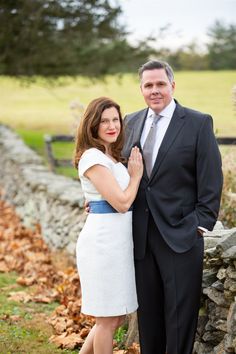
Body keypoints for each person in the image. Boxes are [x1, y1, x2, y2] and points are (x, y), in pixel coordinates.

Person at [122, 60, 223, 354]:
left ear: (172, 86)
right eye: (148, 85)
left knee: (180, 318)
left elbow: (211, 179)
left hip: (181, 235)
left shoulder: (197, 122)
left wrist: (200, 225)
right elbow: (119, 172)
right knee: (149, 316)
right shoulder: (130, 121)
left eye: (160, 84)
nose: (155, 91)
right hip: (140, 236)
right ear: (141, 89)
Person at [73, 97, 143, 354]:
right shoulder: (93, 157)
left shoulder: (109, 155)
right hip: (103, 245)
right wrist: (135, 175)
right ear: (92, 125)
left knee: (115, 317)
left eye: (115, 119)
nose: (112, 125)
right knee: (106, 319)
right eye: (104, 121)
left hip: (117, 243)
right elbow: (123, 203)